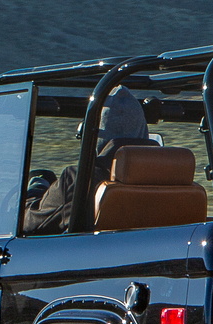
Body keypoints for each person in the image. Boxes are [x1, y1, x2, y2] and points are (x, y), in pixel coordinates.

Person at [22, 88, 150, 235]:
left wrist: (35, 189)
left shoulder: (78, 179)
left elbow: (31, 224)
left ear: (92, 135)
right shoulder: (171, 177)